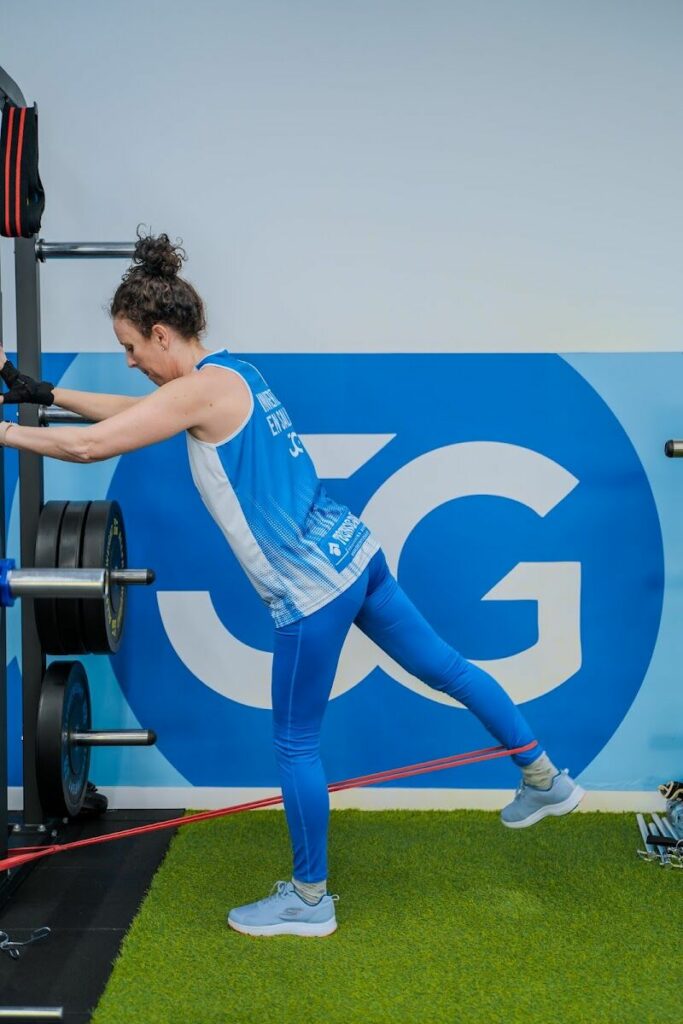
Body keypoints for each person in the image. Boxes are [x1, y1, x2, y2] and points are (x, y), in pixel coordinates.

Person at [0, 231, 584, 938]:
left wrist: (5, 431)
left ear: (159, 333)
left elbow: (90, 446)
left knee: (295, 745)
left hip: (311, 592)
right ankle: (544, 776)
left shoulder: (198, 392)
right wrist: (42, 394)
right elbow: (129, 416)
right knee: (449, 669)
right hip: (352, 554)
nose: (130, 363)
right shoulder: (228, 374)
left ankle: (309, 901)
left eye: (130, 348)